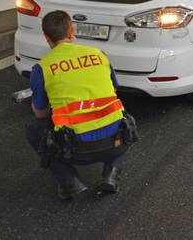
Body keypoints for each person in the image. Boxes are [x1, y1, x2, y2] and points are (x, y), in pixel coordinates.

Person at [25, 10, 138, 200]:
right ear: (72, 31)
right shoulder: (99, 55)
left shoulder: (42, 68)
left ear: (46, 37)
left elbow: (41, 113)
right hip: (115, 142)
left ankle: (70, 182)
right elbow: (113, 88)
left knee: (33, 128)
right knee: (123, 118)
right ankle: (112, 173)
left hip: (74, 150)